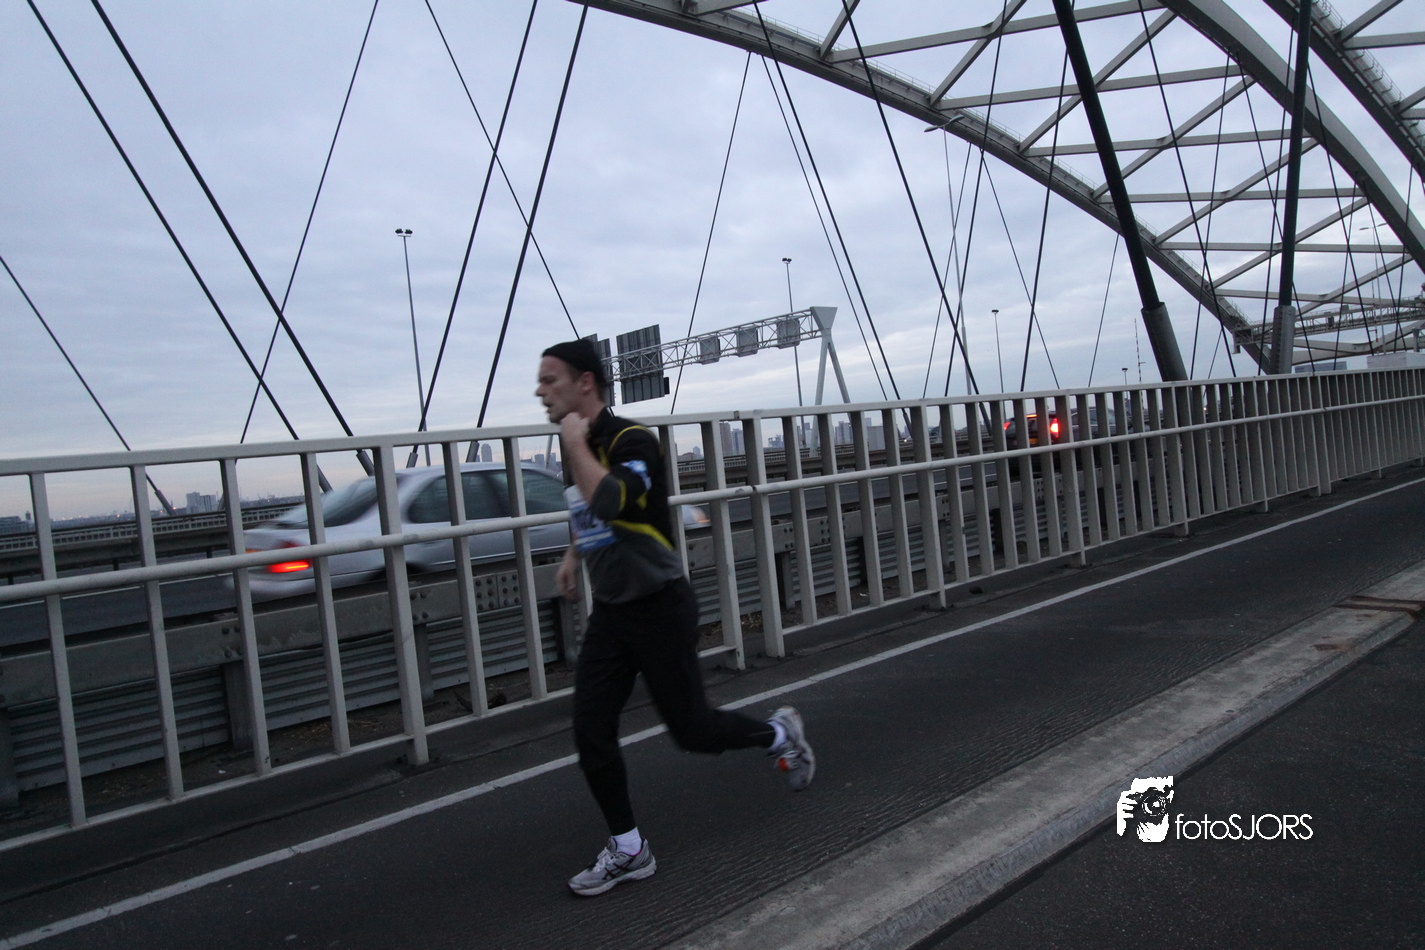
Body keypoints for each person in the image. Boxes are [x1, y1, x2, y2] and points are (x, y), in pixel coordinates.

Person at [535, 338, 814, 897]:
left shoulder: (631, 440)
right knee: (591, 729)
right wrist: (573, 554)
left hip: (659, 606)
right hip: (612, 613)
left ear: (585, 382)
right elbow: (590, 516)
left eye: (550, 379)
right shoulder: (579, 445)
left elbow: (611, 500)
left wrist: (575, 443)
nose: (540, 392)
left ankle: (779, 733)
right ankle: (629, 848)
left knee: (694, 731)